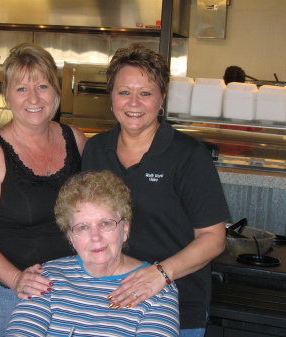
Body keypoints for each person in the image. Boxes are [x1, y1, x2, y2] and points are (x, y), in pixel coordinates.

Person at [82, 44, 230, 336]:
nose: (134, 103)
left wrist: (160, 274)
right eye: (124, 92)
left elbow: (213, 239)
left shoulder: (188, 156)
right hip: (107, 301)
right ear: (111, 96)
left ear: (161, 98)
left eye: (146, 93)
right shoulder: (96, 150)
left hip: (175, 305)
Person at [0, 42, 87, 337]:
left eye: (42, 86)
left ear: (56, 91)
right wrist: (16, 279)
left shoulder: (75, 139)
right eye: (21, 89)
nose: (34, 98)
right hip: (5, 294)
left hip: (66, 289)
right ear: (7, 96)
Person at [5, 170, 179, 337]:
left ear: (125, 228)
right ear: (70, 237)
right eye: (82, 227)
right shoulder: (47, 278)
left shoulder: (156, 287)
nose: (96, 237)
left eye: (105, 223)